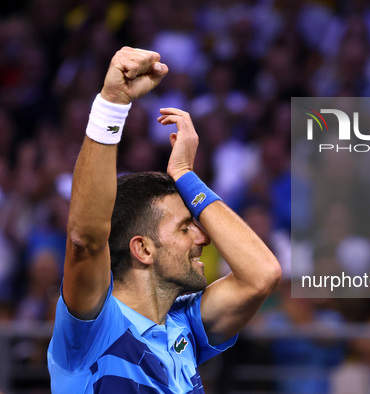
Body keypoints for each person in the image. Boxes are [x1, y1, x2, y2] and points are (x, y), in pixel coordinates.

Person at [47, 47, 282, 393]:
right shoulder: (94, 329)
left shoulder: (183, 326)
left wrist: (186, 176)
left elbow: (262, 275)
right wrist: (111, 104)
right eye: (185, 226)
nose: (204, 237)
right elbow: (85, 238)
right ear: (142, 248)